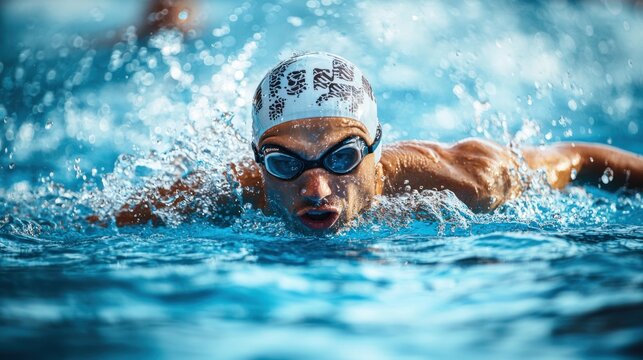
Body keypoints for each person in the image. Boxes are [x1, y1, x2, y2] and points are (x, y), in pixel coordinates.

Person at [111, 52, 643, 232]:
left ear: (376, 149)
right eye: (283, 162)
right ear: (258, 160)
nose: (316, 189)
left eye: (342, 156)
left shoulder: (467, 180)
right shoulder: (226, 193)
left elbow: (579, 160)